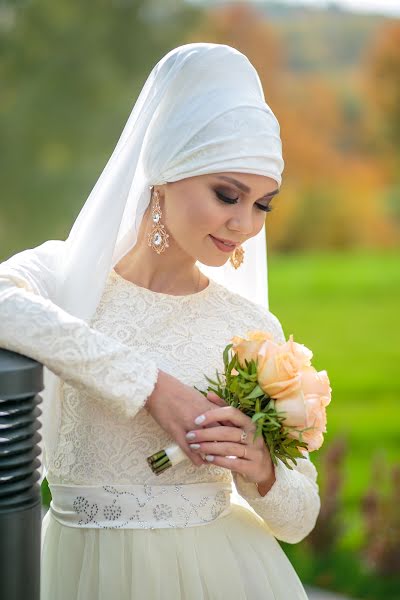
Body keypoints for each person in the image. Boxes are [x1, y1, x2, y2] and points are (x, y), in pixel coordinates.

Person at [0, 43, 320, 599]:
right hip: (78, 570)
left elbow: (300, 517)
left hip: (219, 574)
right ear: (165, 175)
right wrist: (150, 386)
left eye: (262, 204)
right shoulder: (64, 277)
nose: (244, 224)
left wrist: (261, 469)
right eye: (228, 194)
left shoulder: (249, 328)